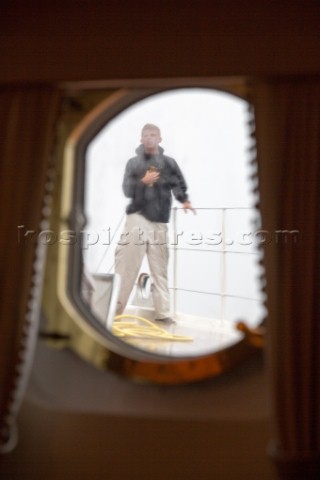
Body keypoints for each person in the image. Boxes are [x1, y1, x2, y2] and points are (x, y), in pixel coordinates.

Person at [114, 123, 195, 323]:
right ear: (141, 139)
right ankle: (114, 312)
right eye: (146, 135)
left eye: (153, 135)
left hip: (159, 222)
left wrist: (184, 200)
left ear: (160, 139)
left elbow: (178, 184)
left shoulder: (169, 163)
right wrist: (144, 180)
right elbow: (126, 190)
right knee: (126, 266)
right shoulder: (133, 163)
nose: (149, 138)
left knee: (160, 268)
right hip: (138, 219)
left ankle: (163, 314)